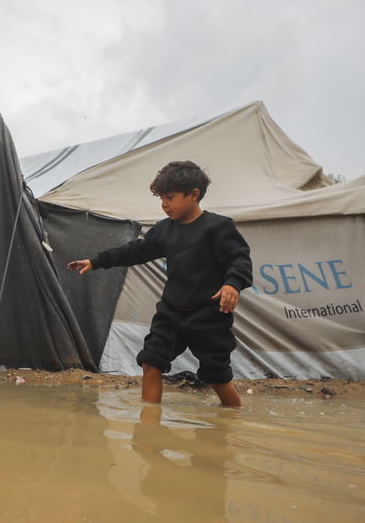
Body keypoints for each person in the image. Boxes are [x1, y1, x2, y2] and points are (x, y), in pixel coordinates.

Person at [68, 160, 252, 407]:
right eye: (162, 198)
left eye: (170, 197)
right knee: (151, 362)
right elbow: (136, 251)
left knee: (216, 375)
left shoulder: (218, 227)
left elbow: (239, 258)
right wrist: (96, 261)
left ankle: (233, 419)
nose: (164, 204)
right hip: (171, 314)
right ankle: (149, 424)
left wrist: (232, 284)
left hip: (209, 316)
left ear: (194, 195)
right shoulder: (165, 230)